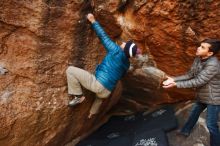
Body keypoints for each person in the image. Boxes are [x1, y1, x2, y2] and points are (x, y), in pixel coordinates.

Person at [66, 13, 141, 118]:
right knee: (100, 96)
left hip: (99, 85)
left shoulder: (115, 50)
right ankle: (91, 113)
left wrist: (93, 21)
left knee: (70, 70)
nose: (123, 42)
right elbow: (119, 75)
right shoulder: (127, 64)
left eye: (125, 44)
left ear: (125, 49)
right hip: (107, 91)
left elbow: (103, 37)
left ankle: (78, 96)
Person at [163, 39, 220, 146]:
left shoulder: (213, 65)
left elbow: (198, 81)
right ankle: (185, 131)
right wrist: (174, 79)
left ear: (210, 53)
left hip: (214, 97)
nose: (198, 48)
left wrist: (176, 85)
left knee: (211, 125)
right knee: (194, 112)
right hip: (203, 94)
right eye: (200, 45)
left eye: (203, 47)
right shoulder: (198, 59)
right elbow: (190, 75)